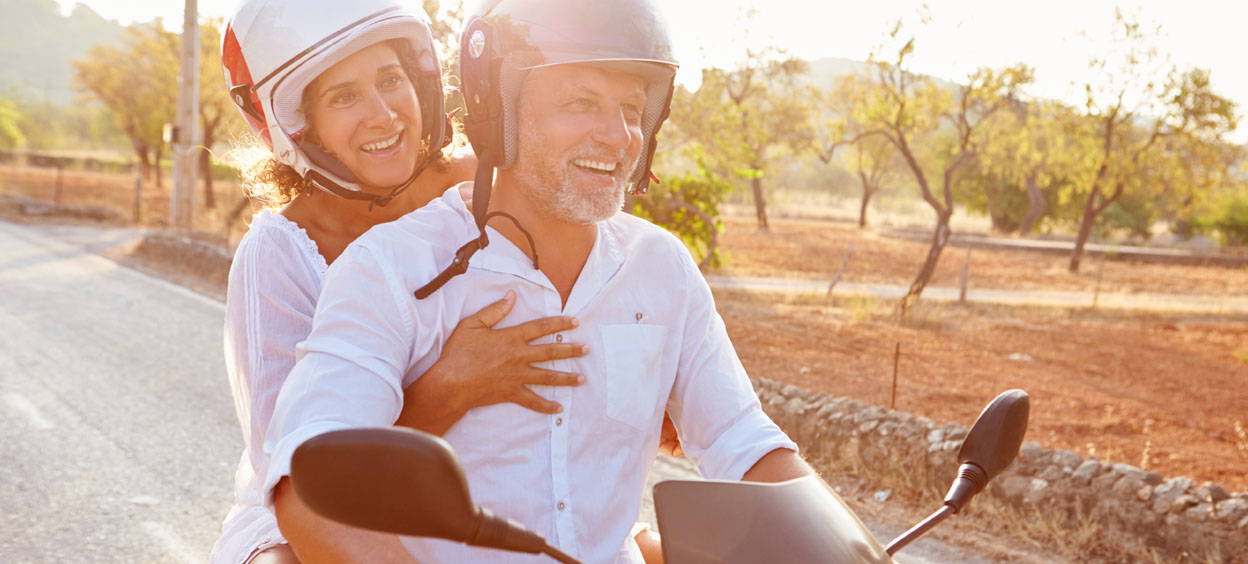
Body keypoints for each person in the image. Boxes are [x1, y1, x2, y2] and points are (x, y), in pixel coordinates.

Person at [263, 0, 819, 562]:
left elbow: (745, 443)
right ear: (498, 109)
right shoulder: (389, 268)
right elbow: (310, 486)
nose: (618, 135)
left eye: (630, 107)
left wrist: (856, 551)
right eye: (581, 102)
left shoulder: (661, 268)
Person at [208, 1, 643, 561]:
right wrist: (449, 387)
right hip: (329, 512)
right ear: (300, 124)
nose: (383, 114)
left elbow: (602, 288)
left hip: (503, 485)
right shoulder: (280, 251)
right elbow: (299, 473)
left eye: (391, 80)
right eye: (344, 97)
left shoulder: (488, 186)